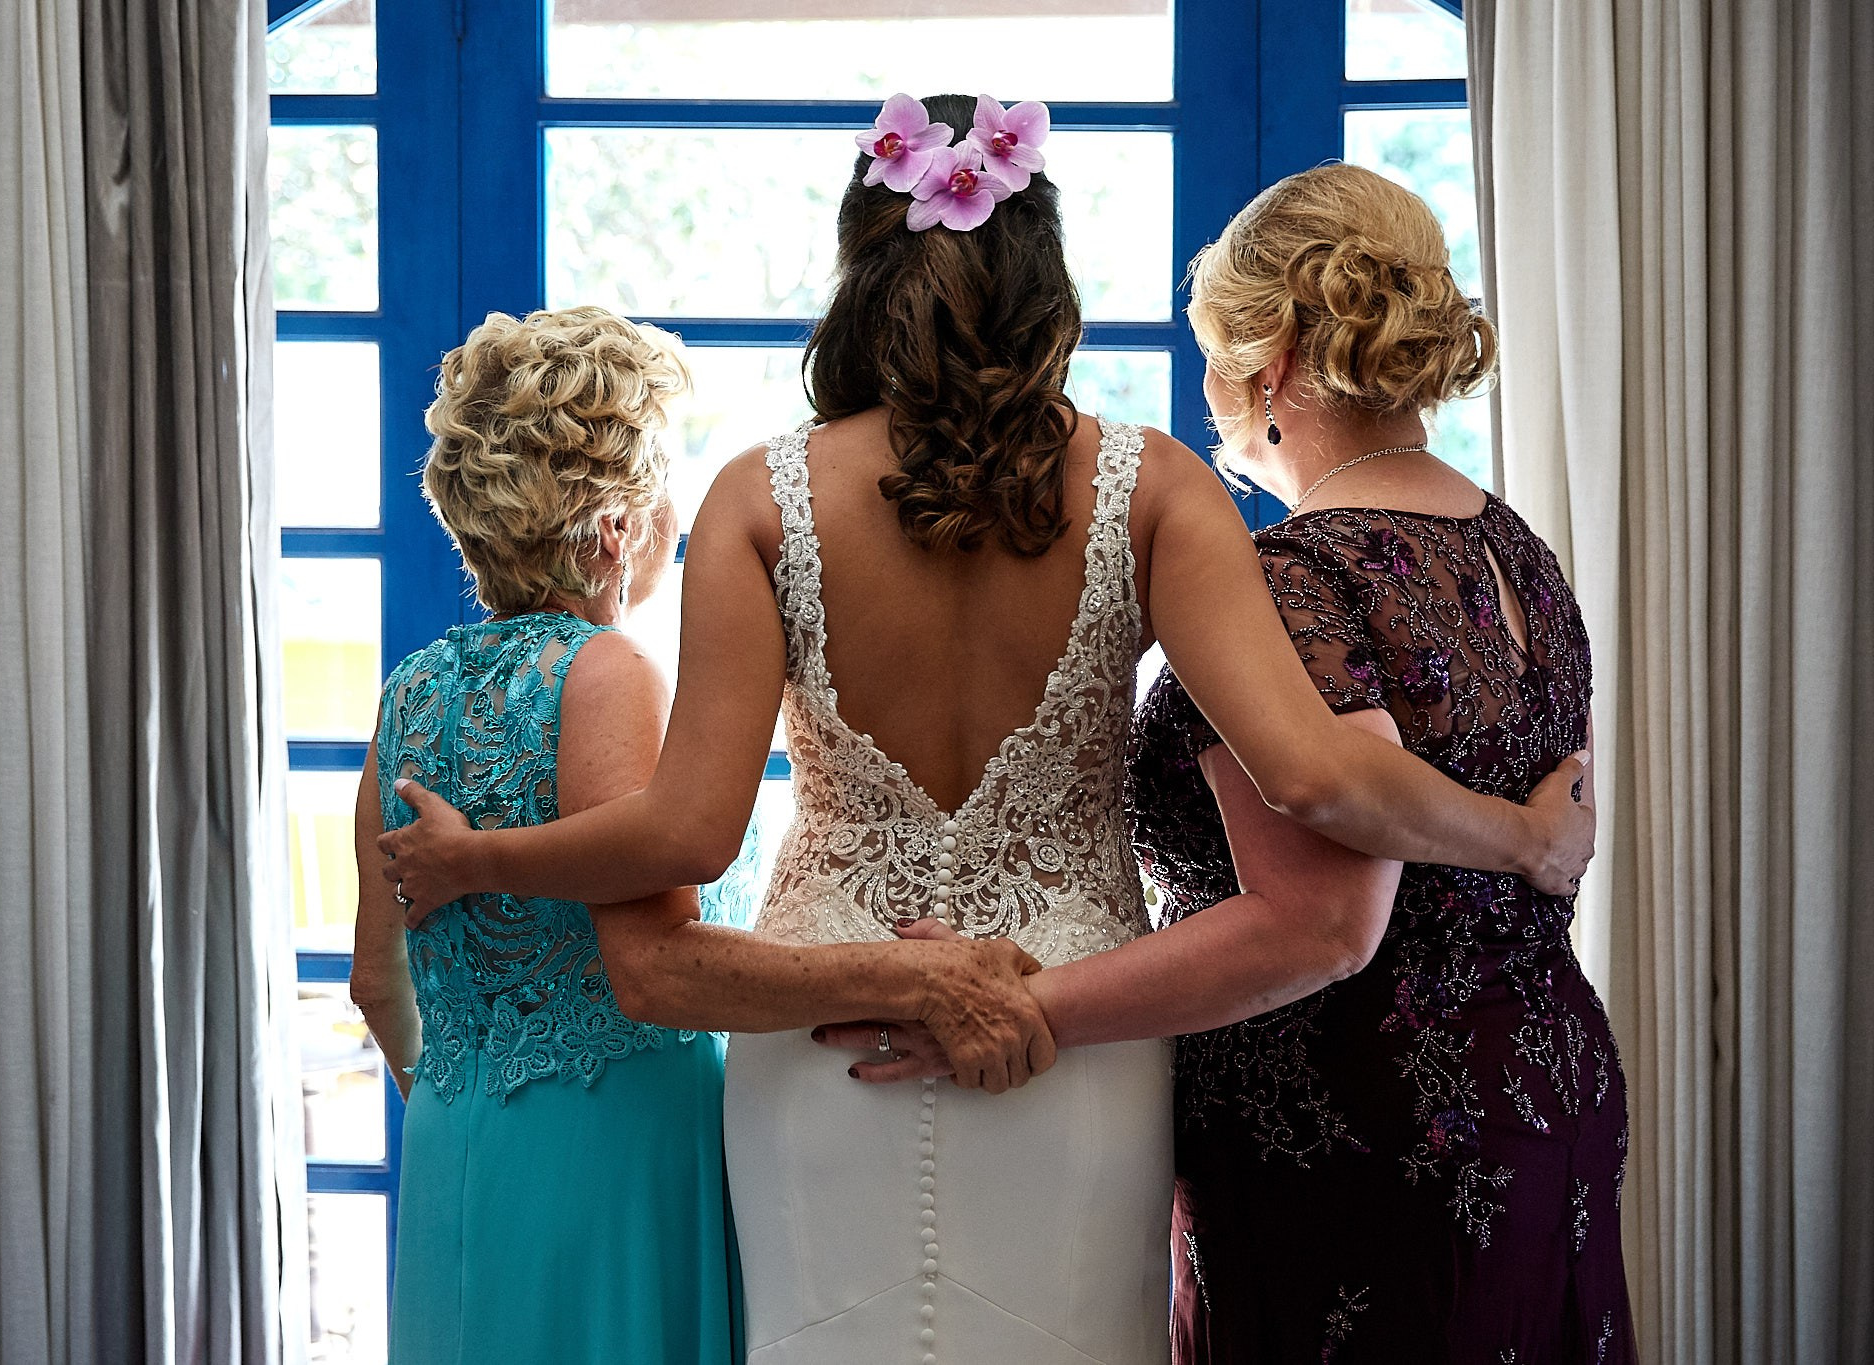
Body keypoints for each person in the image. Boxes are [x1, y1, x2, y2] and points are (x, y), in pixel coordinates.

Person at [377, 98, 1594, 1365]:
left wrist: (485, 860)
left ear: (859, 273)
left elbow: (685, 836)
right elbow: (1307, 773)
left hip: (823, 1041)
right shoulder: (1155, 486)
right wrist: (1515, 833)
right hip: (1069, 1033)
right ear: (1042, 281)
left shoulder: (758, 495)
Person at [824, 163, 1635, 1363]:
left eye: (1211, 349)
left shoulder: (1295, 577)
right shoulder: (1515, 550)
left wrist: (1015, 1006)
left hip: (1359, 1128)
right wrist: (1520, 840)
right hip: (1548, 1077)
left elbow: (1316, 926)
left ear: (1273, 366)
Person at [346, 305, 1049, 1365]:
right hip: (615, 1153)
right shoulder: (605, 673)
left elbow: (374, 980)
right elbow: (657, 947)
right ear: (614, 527)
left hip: (455, 1146)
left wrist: (475, 1094)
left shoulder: (407, 694)